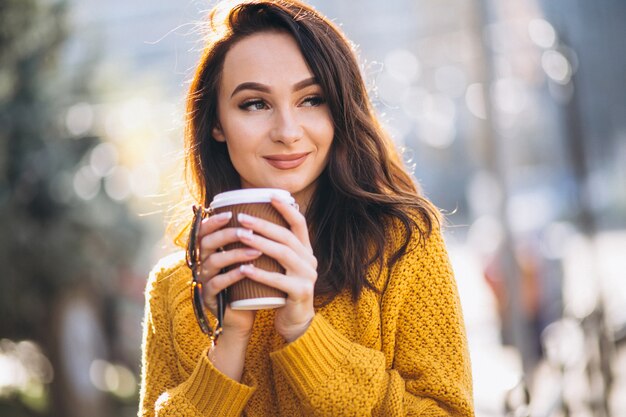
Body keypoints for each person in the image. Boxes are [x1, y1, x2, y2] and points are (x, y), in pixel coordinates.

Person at [139, 0, 474, 415]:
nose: (287, 131)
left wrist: (304, 331)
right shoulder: (174, 287)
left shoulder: (402, 248)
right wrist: (229, 339)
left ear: (339, 110)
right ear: (217, 124)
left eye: (311, 99)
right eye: (255, 104)